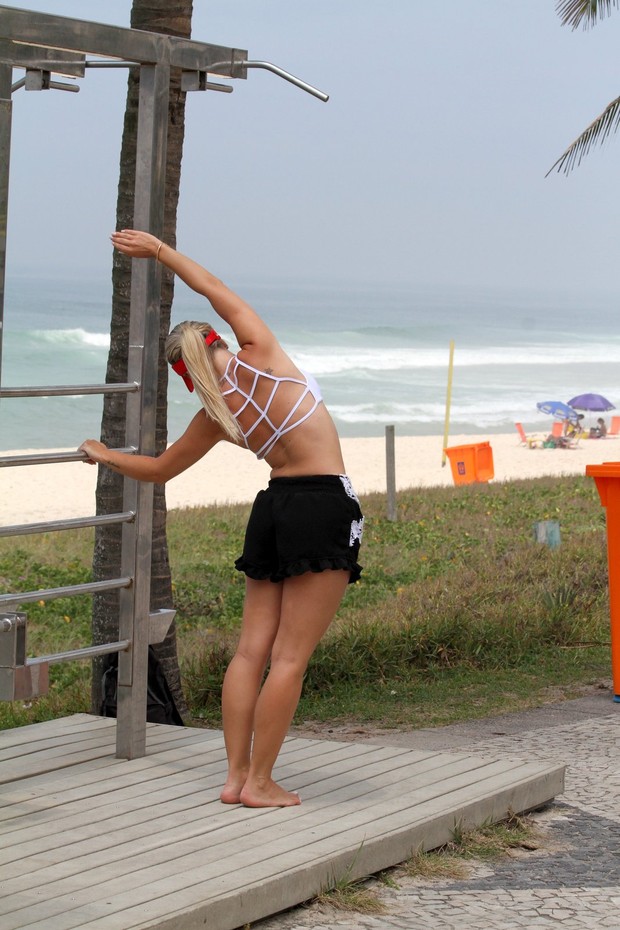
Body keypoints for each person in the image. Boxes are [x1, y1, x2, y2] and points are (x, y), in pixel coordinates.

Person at [79, 229, 364, 808]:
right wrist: (160, 252)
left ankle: (236, 778)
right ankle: (260, 782)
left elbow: (159, 470)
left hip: (273, 508)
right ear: (216, 341)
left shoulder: (216, 415)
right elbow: (213, 287)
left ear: (186, 372)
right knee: (289, 658)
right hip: (322, 503)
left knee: (250, 652)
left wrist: (107, 456)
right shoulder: (261, 353)